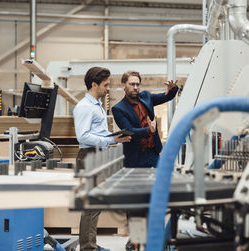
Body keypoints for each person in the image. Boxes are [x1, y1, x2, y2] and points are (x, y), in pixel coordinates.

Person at [73, 67, 131, 251]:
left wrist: (115, 137)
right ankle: (88, 248)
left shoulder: (96, 104)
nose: (108, 89)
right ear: (94, 84)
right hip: (90, 156)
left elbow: (98, 133)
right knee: (91, 206)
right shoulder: (84, 107)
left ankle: (92, 245)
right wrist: (110, 139)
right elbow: (82, 137)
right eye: (105, 85)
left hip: (99, 154)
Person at [112, 70, 178, 168]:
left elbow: (166, 97)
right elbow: (129, 131)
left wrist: (173, 89)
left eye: (137, 84)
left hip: (154, 154)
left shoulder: (146, 97)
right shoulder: (118, 109)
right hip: (135, 157)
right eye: (132, 84)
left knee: (158, 182)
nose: (135, 87)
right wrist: (148, 130)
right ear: (123, 85)